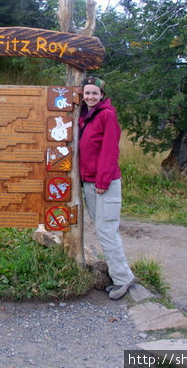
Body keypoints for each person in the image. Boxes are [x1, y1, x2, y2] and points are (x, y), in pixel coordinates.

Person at [78, 75, 136, 300]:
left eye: (94, 93)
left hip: (104, 184)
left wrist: (102, 181)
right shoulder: (85, 115)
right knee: (102, 229)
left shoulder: (107, 116)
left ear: (102, 95)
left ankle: (123, 279)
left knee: (107, 230)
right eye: (87, 93)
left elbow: (110, 151)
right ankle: (120, 275)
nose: (90, 96)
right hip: (90, 183)